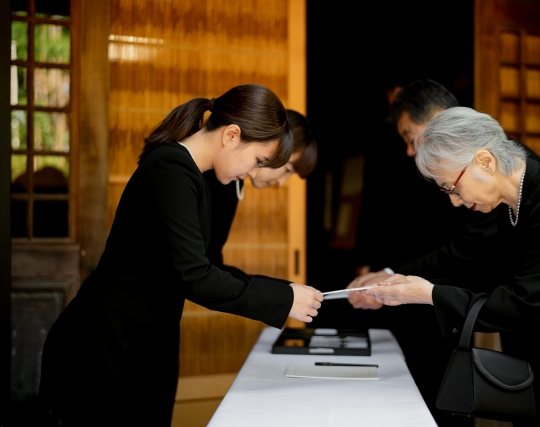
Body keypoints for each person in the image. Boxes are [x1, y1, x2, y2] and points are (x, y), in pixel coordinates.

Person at [36, 84, 324, 427]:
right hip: (104, 339)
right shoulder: (170, 168)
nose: (252, 173)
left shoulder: (191, 175)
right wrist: (282, 297)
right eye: (258, 161)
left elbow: (203, 266)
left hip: (145, 336)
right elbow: (195, 275)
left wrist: (284, 291)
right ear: (231, 135)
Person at [361, 107, 540, 425]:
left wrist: (430, 294)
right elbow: (495, 279)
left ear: (485, 161)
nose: (454, 201)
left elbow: (523, 304)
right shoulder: (513, 202)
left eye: (452, 187)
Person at [204, 109, 317, 276]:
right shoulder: (220, 177)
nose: (281, 182)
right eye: (287, 169)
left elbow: (211, 260)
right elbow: (204, 265)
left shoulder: (234, 181)